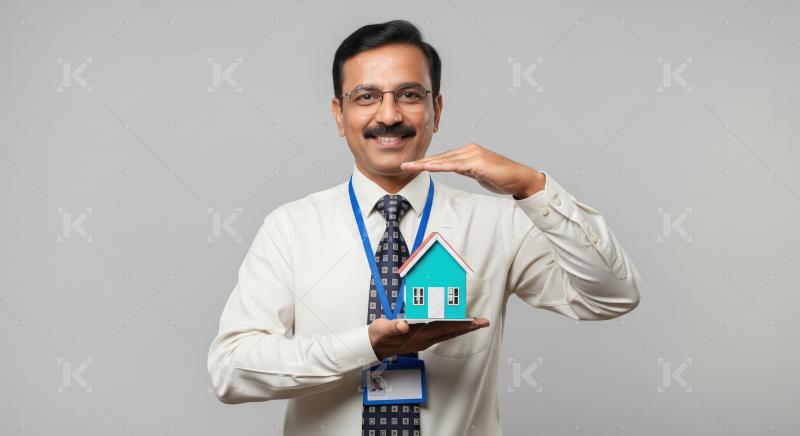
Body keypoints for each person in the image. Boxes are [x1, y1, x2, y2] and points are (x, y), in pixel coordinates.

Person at [207, 19, 641, 436]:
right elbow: (231, 371)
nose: (390, 115)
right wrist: (368, 347)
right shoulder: (291, 228)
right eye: (366, 97)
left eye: (409, 95)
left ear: (436, 109)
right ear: (339, 115)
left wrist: (533, 188)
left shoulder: (497, 223)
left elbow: (611, 297)